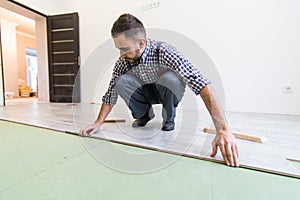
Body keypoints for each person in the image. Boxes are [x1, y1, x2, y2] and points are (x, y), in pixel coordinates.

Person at [80, 13, 239, 167]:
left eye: (124, 49)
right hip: (146, 92)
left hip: (167, 90)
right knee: (120, 82)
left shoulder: (164, 51)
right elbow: (111, 93)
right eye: (118, 49)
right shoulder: (123, 61)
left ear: (141, 43)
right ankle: (144, 115)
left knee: (170, 79)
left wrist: (223, 129)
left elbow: (202, 83)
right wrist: (98, 123)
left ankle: (169, 116)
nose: (121, 55)